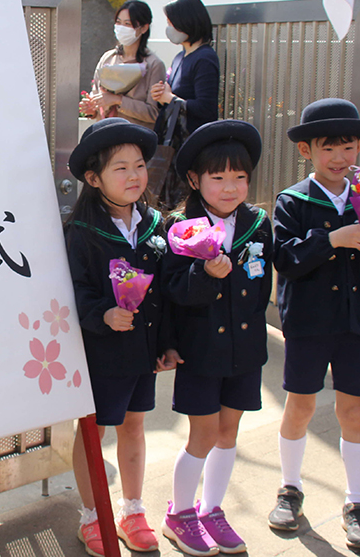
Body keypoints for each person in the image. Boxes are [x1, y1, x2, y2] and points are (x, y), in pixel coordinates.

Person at [268, 99, 360, 551]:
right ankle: (289, 489)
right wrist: (334, 239)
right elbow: (284, 259)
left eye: (348, 147)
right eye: (329, 149)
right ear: (307, 150)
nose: (340, 158)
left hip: (357, 322)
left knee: (353, 412)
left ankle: (357, 503)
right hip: (309, 322)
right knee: (300, 406)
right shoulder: (292, 200)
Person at [159, 120, 271, 556]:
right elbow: (173, 293)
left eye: (240, 177)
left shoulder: (257, 223)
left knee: (229, 430)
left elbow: (261, 287)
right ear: (194, 180)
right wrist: (205, 275)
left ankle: (212, 509)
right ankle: (180, 513)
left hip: (245, 349)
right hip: (201, 350)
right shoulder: (180, 228)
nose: (230, 188)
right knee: (202, 434)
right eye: (218, 177)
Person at [64, 118, 170, 557]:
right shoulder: (81, 232)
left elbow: (163, 292)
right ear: (94, 179)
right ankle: (91, 515)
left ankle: (131, 510)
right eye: (120, 168)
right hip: (102, 349)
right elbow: (75, 290)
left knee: (135, 424)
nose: (134, 176)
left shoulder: (155, 224)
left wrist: (167, 343)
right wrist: (102, 313)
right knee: (94, 429)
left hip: (142, 349)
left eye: (139, 165)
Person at [150, 0, 220, 209]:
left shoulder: (205, 58)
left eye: (172, 23)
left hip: (192, 148)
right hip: (173, 146)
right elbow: (174, 100)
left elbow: (207, 109)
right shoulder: (181, 57)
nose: (169, 28)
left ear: (188, 21)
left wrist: (170, 98)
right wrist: (162, 96)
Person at [80, 0, 167, 130]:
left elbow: (153, 113)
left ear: (144, 28)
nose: (121, 28)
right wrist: (92, 108)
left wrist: (118, 100)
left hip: (134, 138)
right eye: (118, 22)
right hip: (105, 135)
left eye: (128, 24)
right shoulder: (108, 58)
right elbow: (96, 95)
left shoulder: (154, 65)